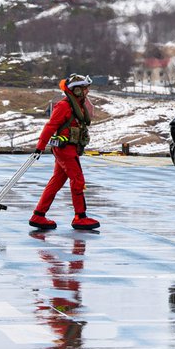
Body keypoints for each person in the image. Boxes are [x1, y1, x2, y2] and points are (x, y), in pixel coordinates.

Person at [29, 74, 100, 231]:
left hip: (69, 149)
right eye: (85, 88)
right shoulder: (64, 106)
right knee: (78, 180)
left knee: (56, 182)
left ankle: (38, 215)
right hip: (65, 150)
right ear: (77, 90)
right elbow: (50, 126)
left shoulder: (77, 105)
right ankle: (80, 217)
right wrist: (40, 147)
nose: (88, 91)